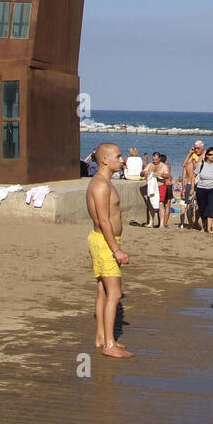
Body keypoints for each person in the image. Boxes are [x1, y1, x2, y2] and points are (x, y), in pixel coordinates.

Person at [85, 143, 132, 359]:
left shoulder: (103, 182)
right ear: (105, 160)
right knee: (115, 293)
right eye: (118, 156)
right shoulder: (101, 185)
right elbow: (103, 220)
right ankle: (109, 344)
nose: (122, 160)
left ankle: (101, 337)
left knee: (103, 291)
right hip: (105, 242)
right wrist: (117, 250)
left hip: (103, 241)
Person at [194, 146, 213, 233]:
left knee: (211, 208)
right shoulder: (201, 164)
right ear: (206, 155)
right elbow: (193, 176)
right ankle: (203, 227)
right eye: (210, 154)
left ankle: (209, 228)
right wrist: (192, 188)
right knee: (202, 208)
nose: (212, 156)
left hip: (212, 189)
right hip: (201, 188)